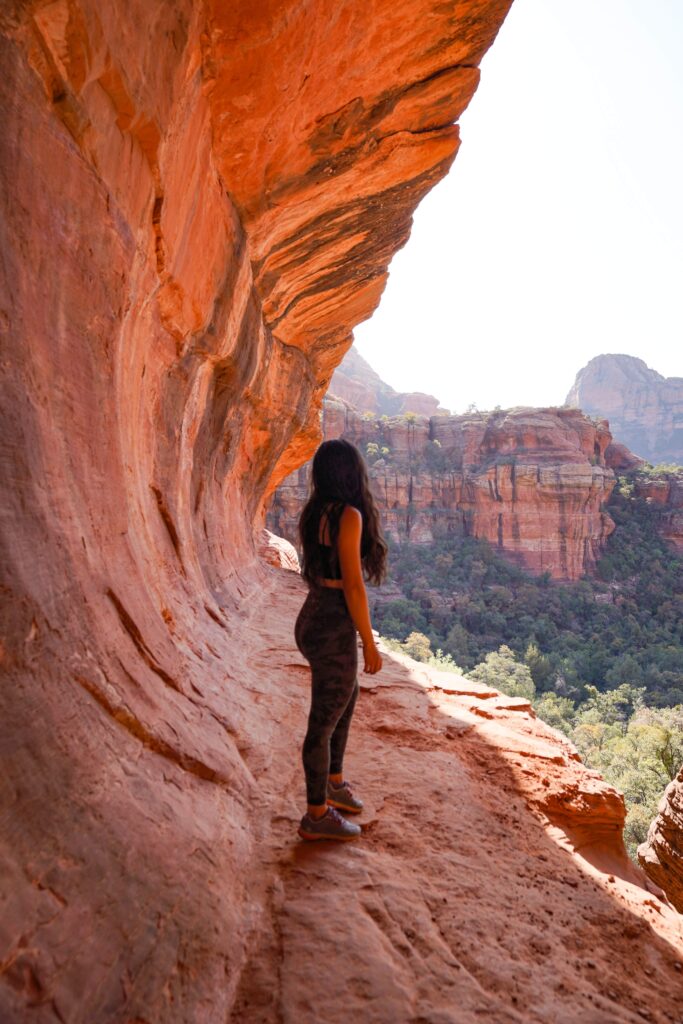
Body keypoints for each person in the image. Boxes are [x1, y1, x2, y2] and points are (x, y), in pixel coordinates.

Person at [294, 438, 388, 841]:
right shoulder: (348, 515)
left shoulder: (314, 512)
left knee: (345, 699)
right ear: (351, 473)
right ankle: (316, 815)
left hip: (311, 616)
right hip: (333, 622)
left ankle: (333, 781)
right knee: (323, 720)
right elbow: (352, 584)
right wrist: (368, 640)